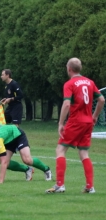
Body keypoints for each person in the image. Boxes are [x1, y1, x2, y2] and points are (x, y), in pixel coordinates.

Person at [46, 58, 105, 194]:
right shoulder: (90, 82)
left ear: (69, 69)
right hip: (88, 121)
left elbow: (67, 104)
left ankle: (60, 185)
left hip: (75, 121)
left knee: (60, 150)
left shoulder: (69, 84)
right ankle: (90, 186)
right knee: (84, 153)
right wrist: (94, 116)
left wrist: (61, 123)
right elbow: (101, 99)